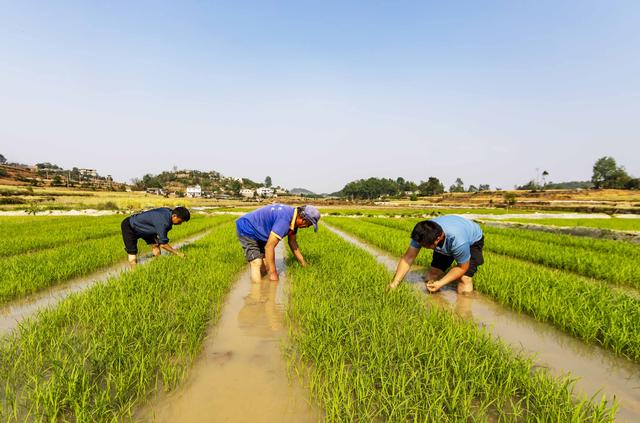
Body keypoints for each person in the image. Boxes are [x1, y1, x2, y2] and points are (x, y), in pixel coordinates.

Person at [387, 215, 484, 294]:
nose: (422, 247)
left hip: (472, 240)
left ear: (437, 240)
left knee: (464, 278)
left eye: (425, 246)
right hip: (449, 230)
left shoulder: (458, 241)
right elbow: (408, 258)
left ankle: (463, 312)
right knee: (432, 274)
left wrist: (441, 283)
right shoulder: (423, 233)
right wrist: (394, 283)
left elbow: (462, 267)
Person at [235, 204, 320, 283]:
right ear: (303, 220)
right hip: (248, 228)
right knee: (256, 262)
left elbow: (292, 242)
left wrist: (303, 263)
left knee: (265, 265)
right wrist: (273, 273)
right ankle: (256, 296)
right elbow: (269, 247)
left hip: (261, 232)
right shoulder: (284, 219)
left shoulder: (293, 221)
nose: (307, 227)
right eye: (309, 224)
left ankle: (263, 289)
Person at [120, 206, 191, 267]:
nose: (180, 223)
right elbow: (163, 244)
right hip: (130, 226)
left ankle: (158, 264)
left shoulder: (168, 212)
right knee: (132, 253)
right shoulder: (163, 222)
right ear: (174, 216)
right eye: (180, 221)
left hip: (146, 227)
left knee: (156, 244)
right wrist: (178, 253)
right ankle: (134, 272)